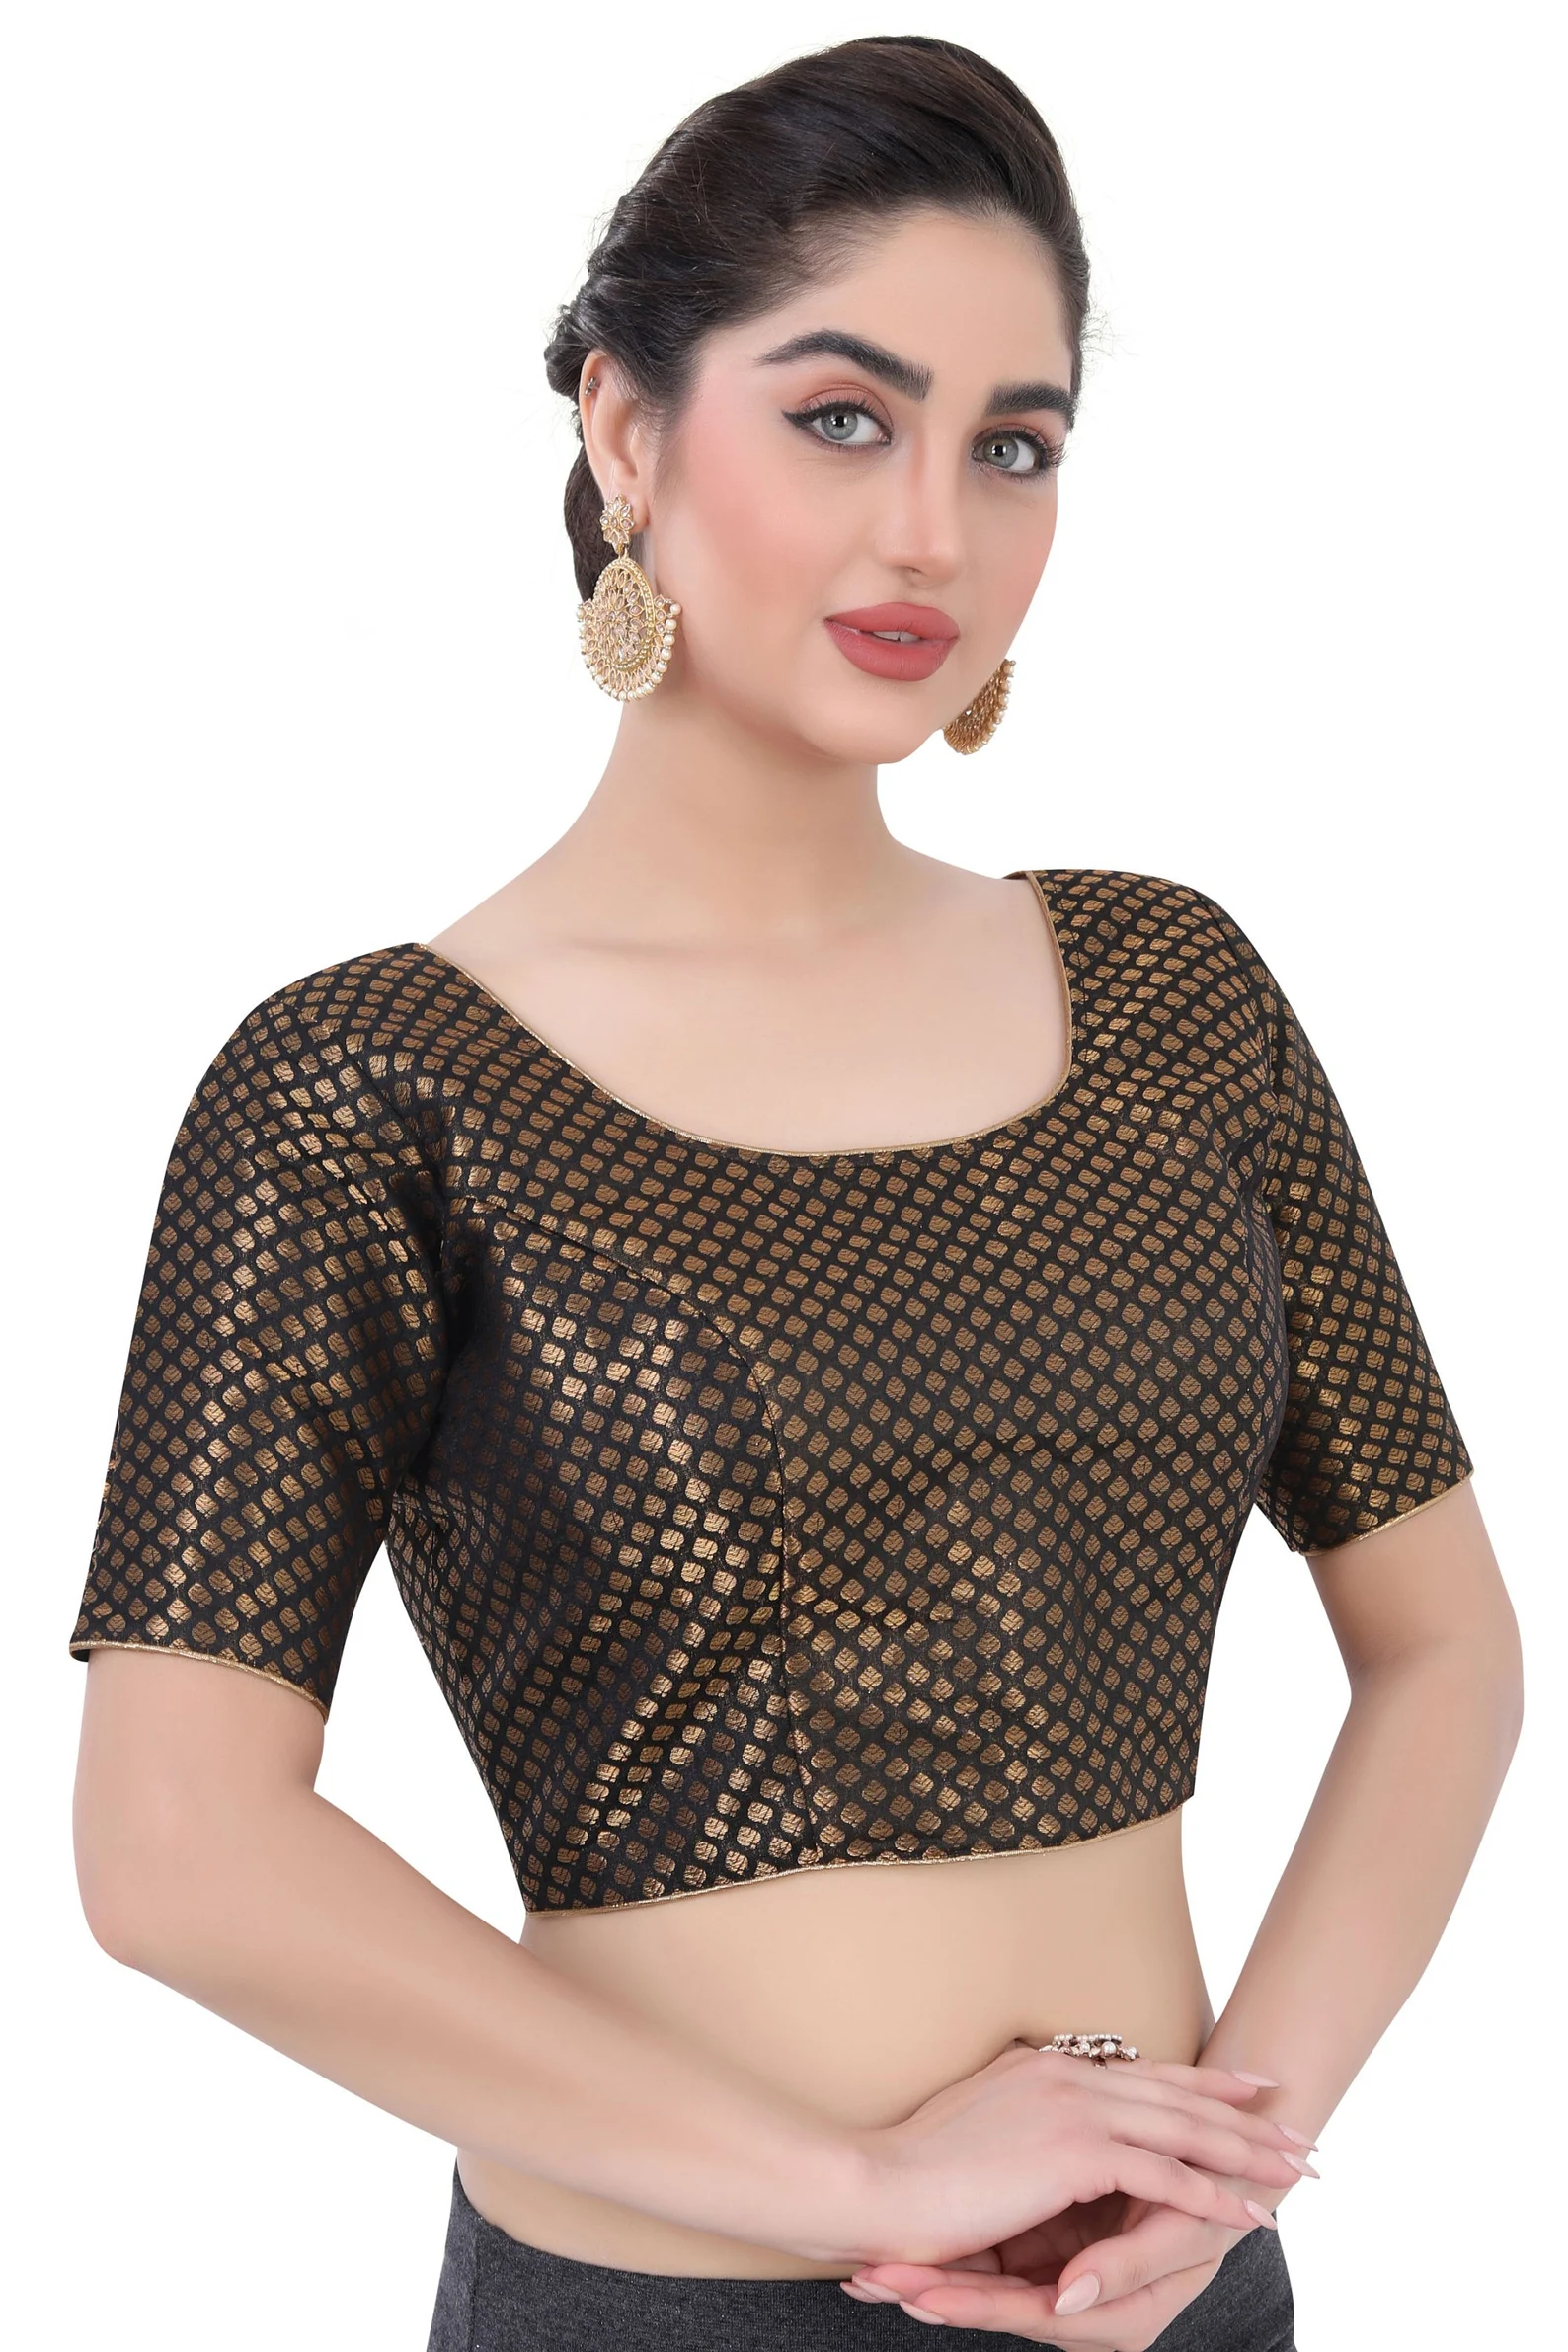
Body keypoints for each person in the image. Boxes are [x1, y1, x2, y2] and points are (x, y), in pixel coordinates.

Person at [67, 36, 1521, 2352]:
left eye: (1011, 445)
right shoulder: (365, 1090)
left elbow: (1442, 1649)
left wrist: (1231, 2152)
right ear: (625, 431)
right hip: (663, 2306)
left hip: (1168, 2298)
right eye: (842, 416)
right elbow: (175, 1852)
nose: (933, 531)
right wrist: (857, 2184)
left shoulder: (1171, 997)